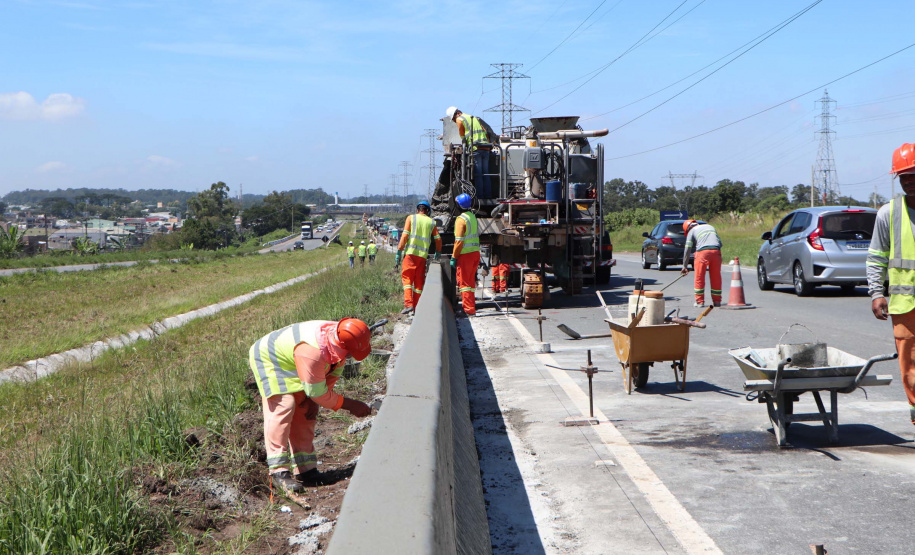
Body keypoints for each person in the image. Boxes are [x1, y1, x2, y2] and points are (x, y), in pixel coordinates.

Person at [248, 318, 373, 494]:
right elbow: (317, 392)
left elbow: (328, 379)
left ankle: (306, 471)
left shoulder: (339, 340)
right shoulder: (313, 351)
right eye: (351, 353)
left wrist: (315, 400)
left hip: (296, 361)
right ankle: (278, 472)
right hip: (270, 358)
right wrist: (349, 404)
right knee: (284, 405)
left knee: (305, 410)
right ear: (344, 346)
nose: (351, 356)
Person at [867, 142, 915, 428]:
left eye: (913, 174)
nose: (909, 180)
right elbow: (875, 256)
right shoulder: (889, 213)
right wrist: (876, 293)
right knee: (910, 366)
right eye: (903, 176)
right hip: (904, 304)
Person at [396, 200, 442, 313]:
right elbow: (438, 239)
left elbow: (405, 235)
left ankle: (408, 305)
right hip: (422, 257)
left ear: (417, 210)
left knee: (407, 279)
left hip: (410, 255)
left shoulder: (411, 218)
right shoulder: (431, 222)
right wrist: (438, 251)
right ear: (427, 211)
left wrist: (399, 251)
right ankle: (417, 308)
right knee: (418, 283)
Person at [446, 107, 497, 199]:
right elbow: (484, 130)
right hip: (486, 147)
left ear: (455, 114)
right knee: (486, 173)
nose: (454, 121)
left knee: (478, 174)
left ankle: (480, 197)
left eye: (453, 119)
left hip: (475, 148)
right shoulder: (472, 117)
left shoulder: (460, 119)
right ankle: (488, 195)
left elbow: (462, 135)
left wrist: (464, 143)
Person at [680, 219, 723, 307]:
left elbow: (687, 249)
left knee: (699, 277)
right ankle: (717, 301)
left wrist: (684, 266)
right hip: (716, 251)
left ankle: (700, 302)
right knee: (716, 277)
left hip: (702, 253)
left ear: (687, 229)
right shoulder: (710, 227)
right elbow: (720, 243)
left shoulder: (692, 231)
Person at [451, 193, 481, 315]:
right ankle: (471, 307)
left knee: (464, 283)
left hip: (465, 255)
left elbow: (459, 241)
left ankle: (468, 309)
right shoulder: (472, 217)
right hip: (475, 253)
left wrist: (454, 257)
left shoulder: (461, 220)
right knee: (470, 283)